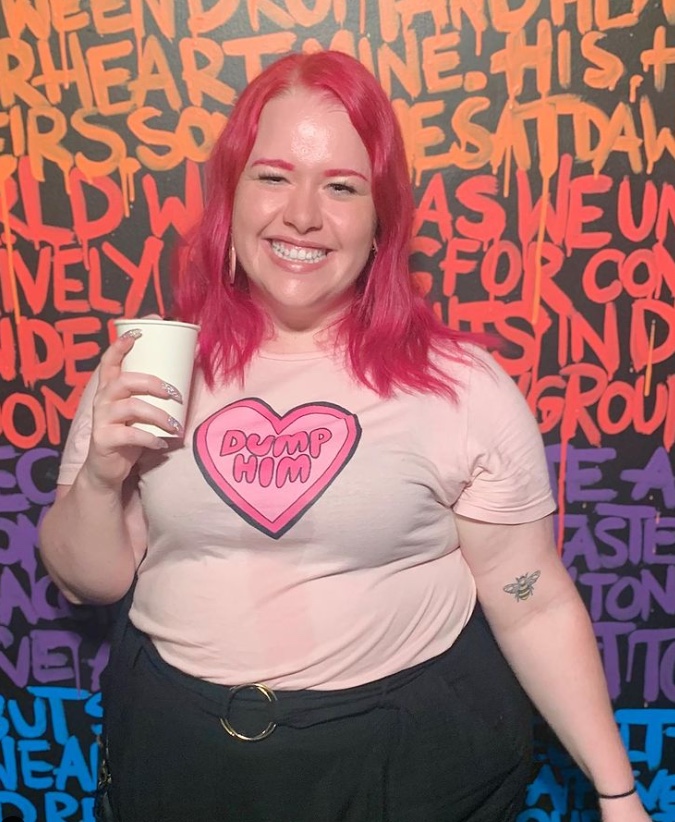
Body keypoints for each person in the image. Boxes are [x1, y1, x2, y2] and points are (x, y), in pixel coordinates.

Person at [39, 51, 650, 822]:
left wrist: (616, 792)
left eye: (340, 186)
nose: (301, 214)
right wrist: (100, 478)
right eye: (272, 175)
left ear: (379, 217)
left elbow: (528, 599)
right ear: (230, 196)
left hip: (407, 764)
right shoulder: (150, 361)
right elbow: (87, 583)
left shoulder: (461, 384)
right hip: (175, 751)